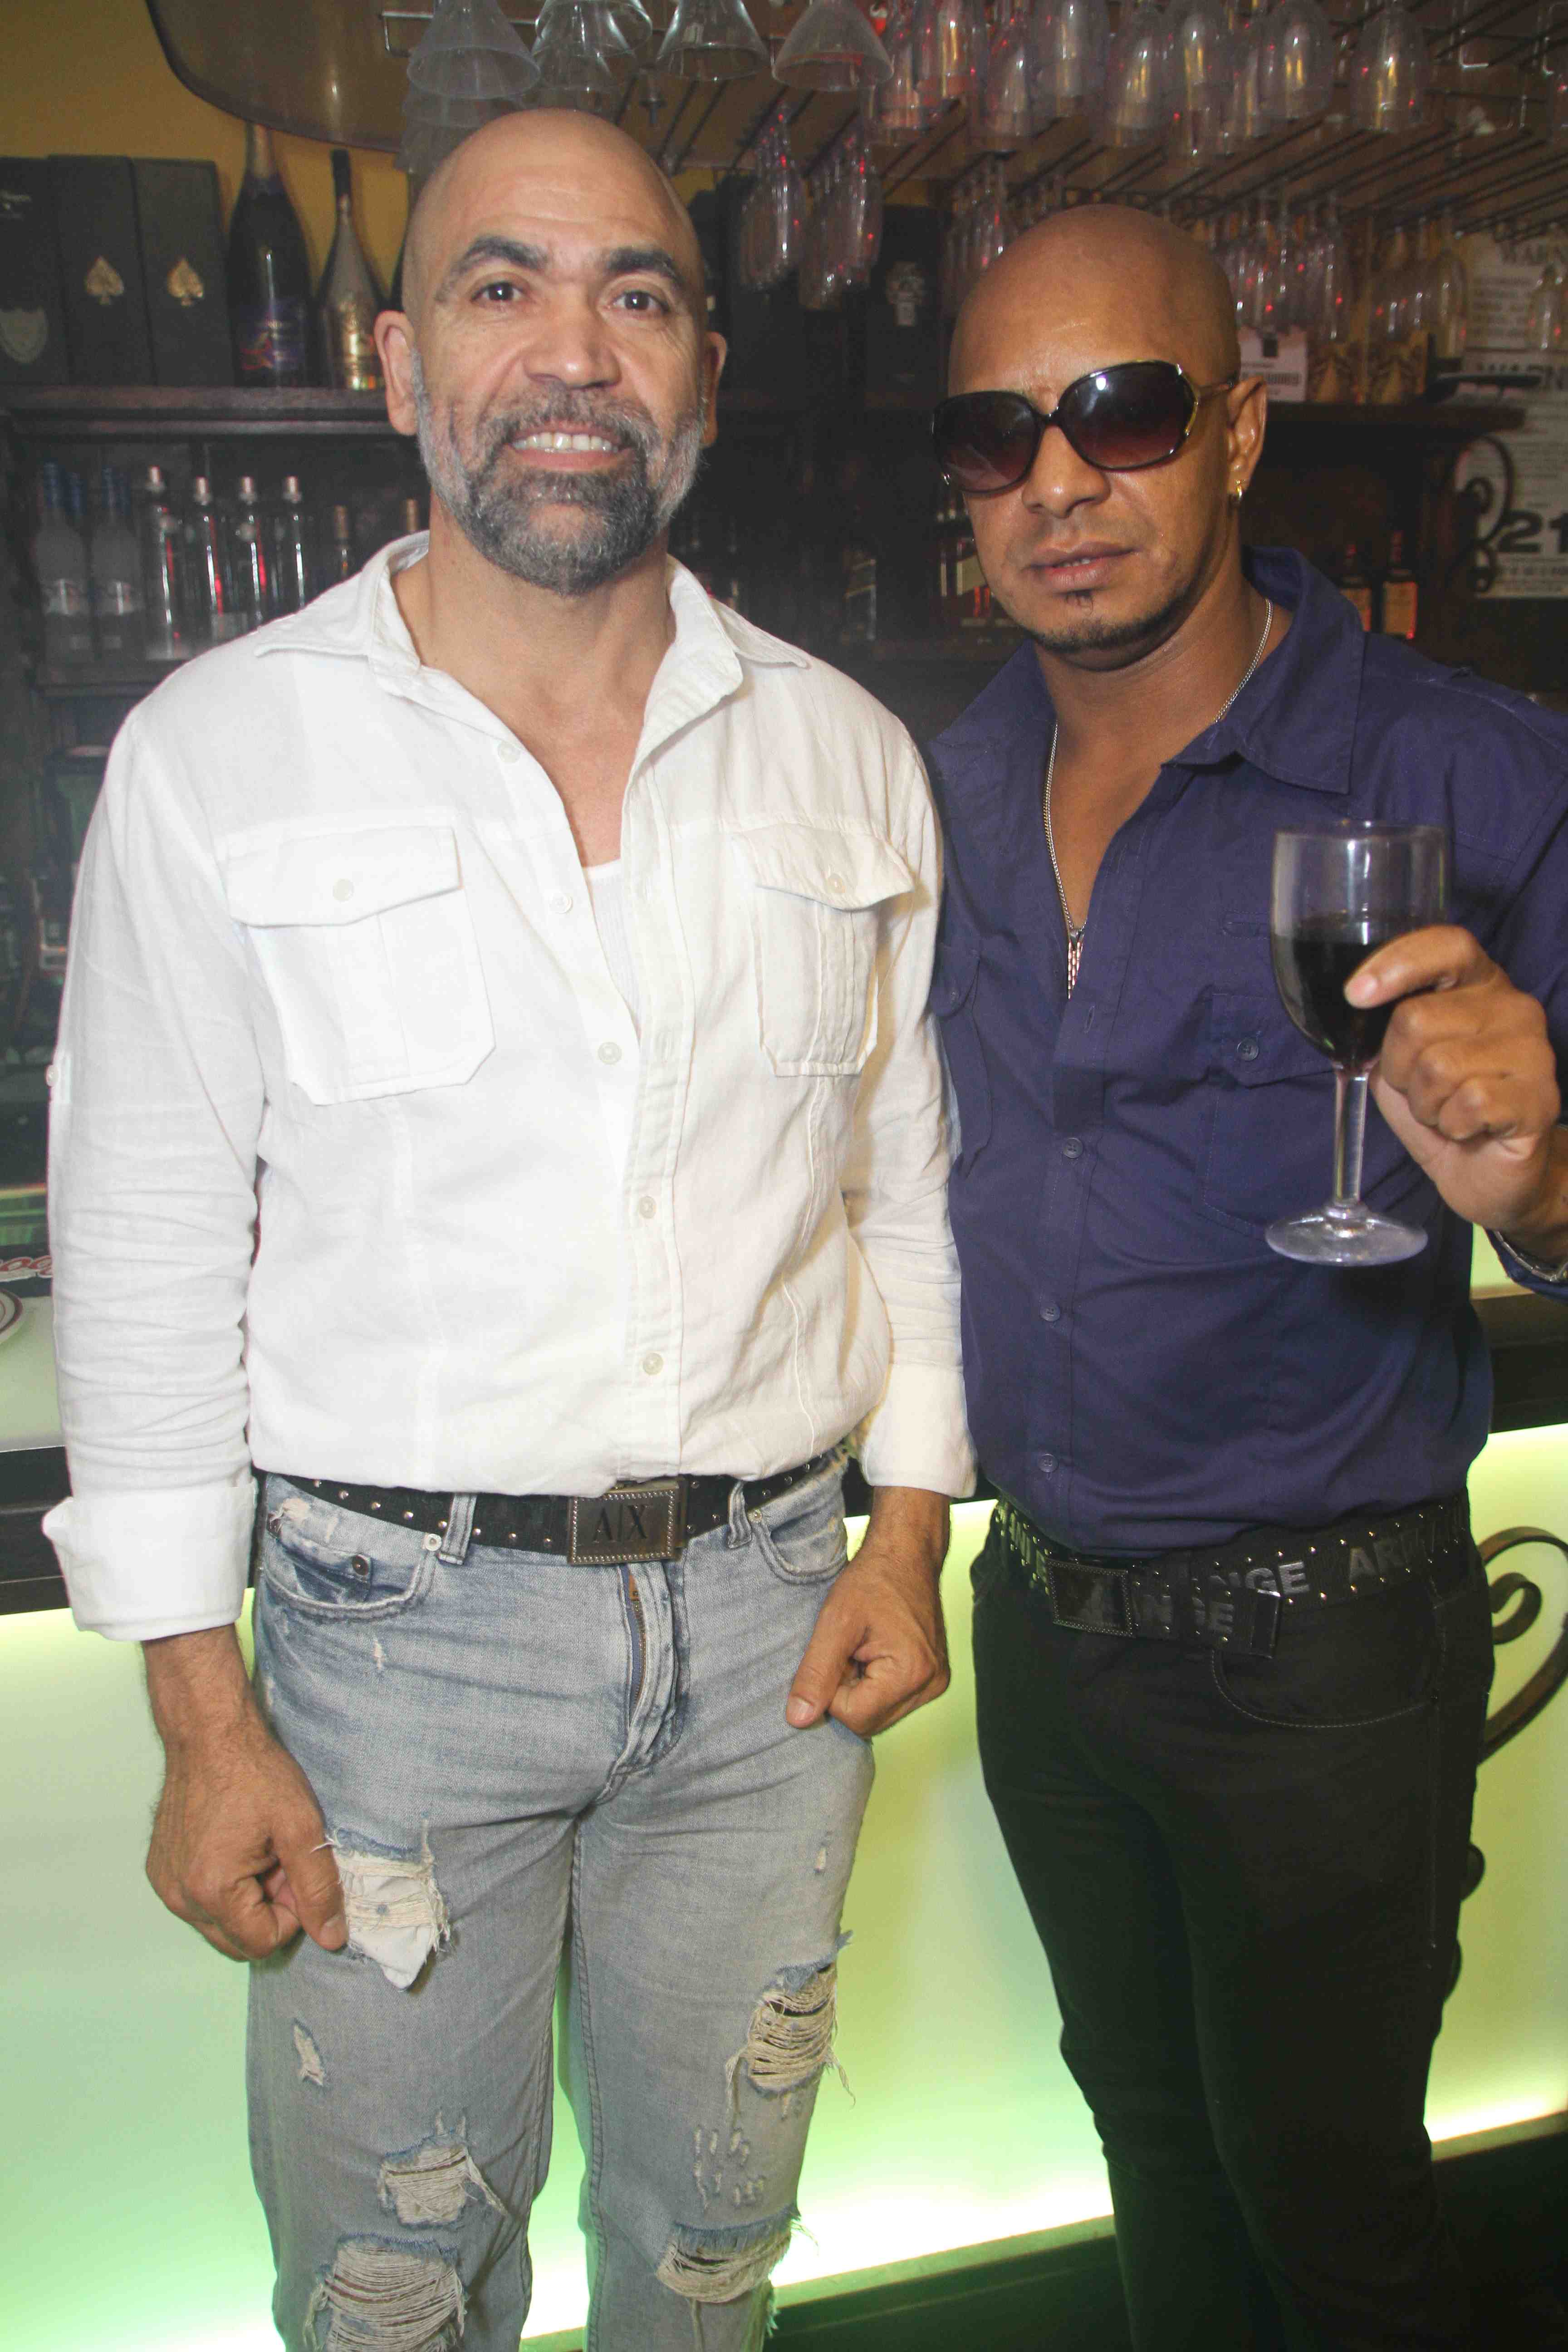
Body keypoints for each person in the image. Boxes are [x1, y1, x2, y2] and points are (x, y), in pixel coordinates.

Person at [44, 112, 972, 2352]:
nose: (573, 350)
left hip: (774, 1633)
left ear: (705, 372)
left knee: (709, 2262)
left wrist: (908, 1530)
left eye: (635, 293)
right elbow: (144, 1241)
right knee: (393, 2295)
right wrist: (200, 1714)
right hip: (392, 1659)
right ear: (398, 363)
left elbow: (903, 1183)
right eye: (501, 286)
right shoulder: (216, 756)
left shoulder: (846, 753)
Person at [925, 205, 1568, 2349]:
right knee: (1152, 2158)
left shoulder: (1466, 773)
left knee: (1335, 2220)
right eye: (998, 436)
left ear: (1238, 430)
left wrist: (1543, 1177)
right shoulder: (944, 788)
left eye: (1120, 413)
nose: (1059, 482)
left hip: (1322, 1660)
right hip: (1043, 1626)